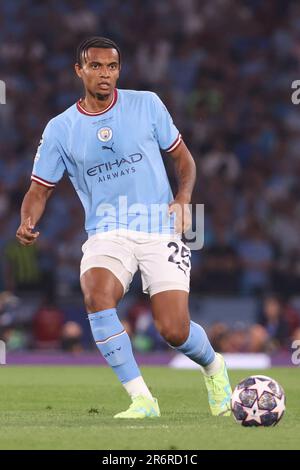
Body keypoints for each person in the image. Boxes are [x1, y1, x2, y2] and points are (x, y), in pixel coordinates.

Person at [16, 36, 231, 419]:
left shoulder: (147, 104)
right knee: (97, 297)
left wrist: (183, 200)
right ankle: (142, 400)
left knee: (173, 330)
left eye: (112, 66)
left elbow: (184, 160)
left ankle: (214, 367)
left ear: (119, 69)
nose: (105, 74)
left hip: (159, 228)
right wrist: (27, 220)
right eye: (95, 66)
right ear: (78, 70)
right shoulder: (60, 129)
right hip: (106, 232)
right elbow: (39, 189)